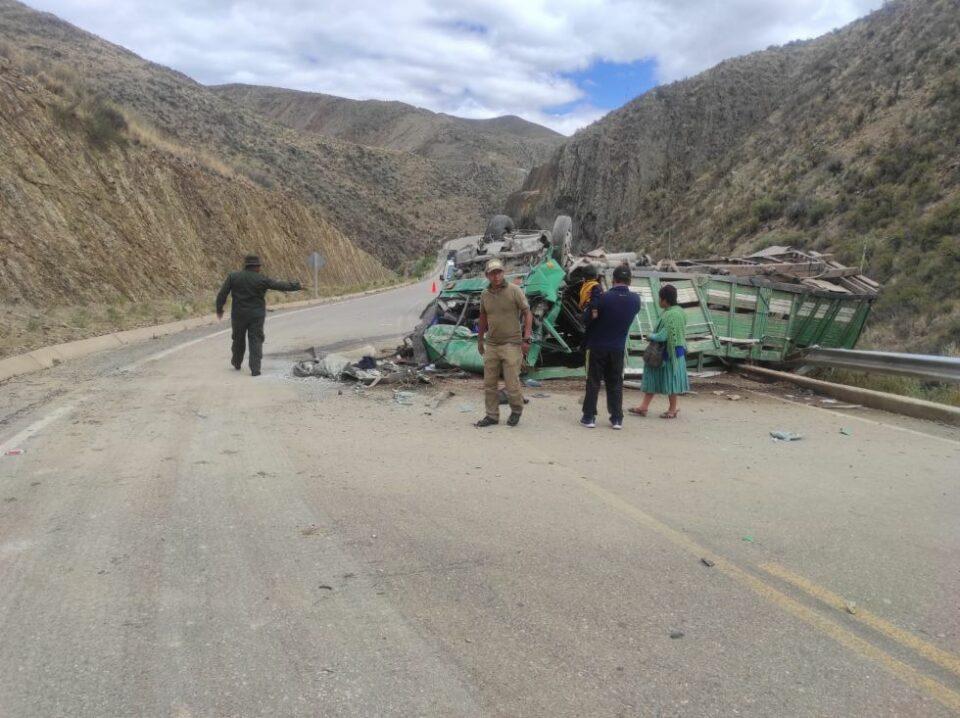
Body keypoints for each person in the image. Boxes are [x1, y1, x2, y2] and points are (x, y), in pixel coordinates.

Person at [215, 254, 302, 376]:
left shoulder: (233, 277)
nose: (259, 268)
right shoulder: (261, 279)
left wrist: (219, 309)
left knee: (238, 339)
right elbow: (279, 285)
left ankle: (236, 362)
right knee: (256, 339)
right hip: (256, 315)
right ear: (256, 267)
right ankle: (255, 369)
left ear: (246, 266)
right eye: (259, 266)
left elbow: (222, 294)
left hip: (238, 315)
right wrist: (296, 286)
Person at [580, 264, 641, 430]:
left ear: (613, 279)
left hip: (597, 346)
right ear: (630, 280)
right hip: (618, 348)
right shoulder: (636, 300)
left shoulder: (602, 298)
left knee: (593, 382)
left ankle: (589, 417)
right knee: (615, 383)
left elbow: (586, 318)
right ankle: (616, 419)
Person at [475, 259, 533, 427]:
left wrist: (526, 338)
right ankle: (492, 416)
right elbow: (483, 317)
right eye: (493, 273)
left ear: (503, 273)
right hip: (492, 344)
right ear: (487, 275)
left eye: (499, 272)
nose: (496, 276)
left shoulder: (514, 291)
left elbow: (527, 313)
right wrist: (480, 340)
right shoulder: (485, 294)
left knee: (511, 383)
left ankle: (516, 410)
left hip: (512, 344)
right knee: (489, 384)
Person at [629, 284, 689, 418]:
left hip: (667, 355)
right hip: (676, 353)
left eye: (660, 298)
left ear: (665, 300)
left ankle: (672, 409)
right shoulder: (679, 312)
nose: (658, 301)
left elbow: (663, 336)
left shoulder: (671, 315)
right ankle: (644, 407)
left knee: (667, 380)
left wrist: (650, 336)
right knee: (657, 378)